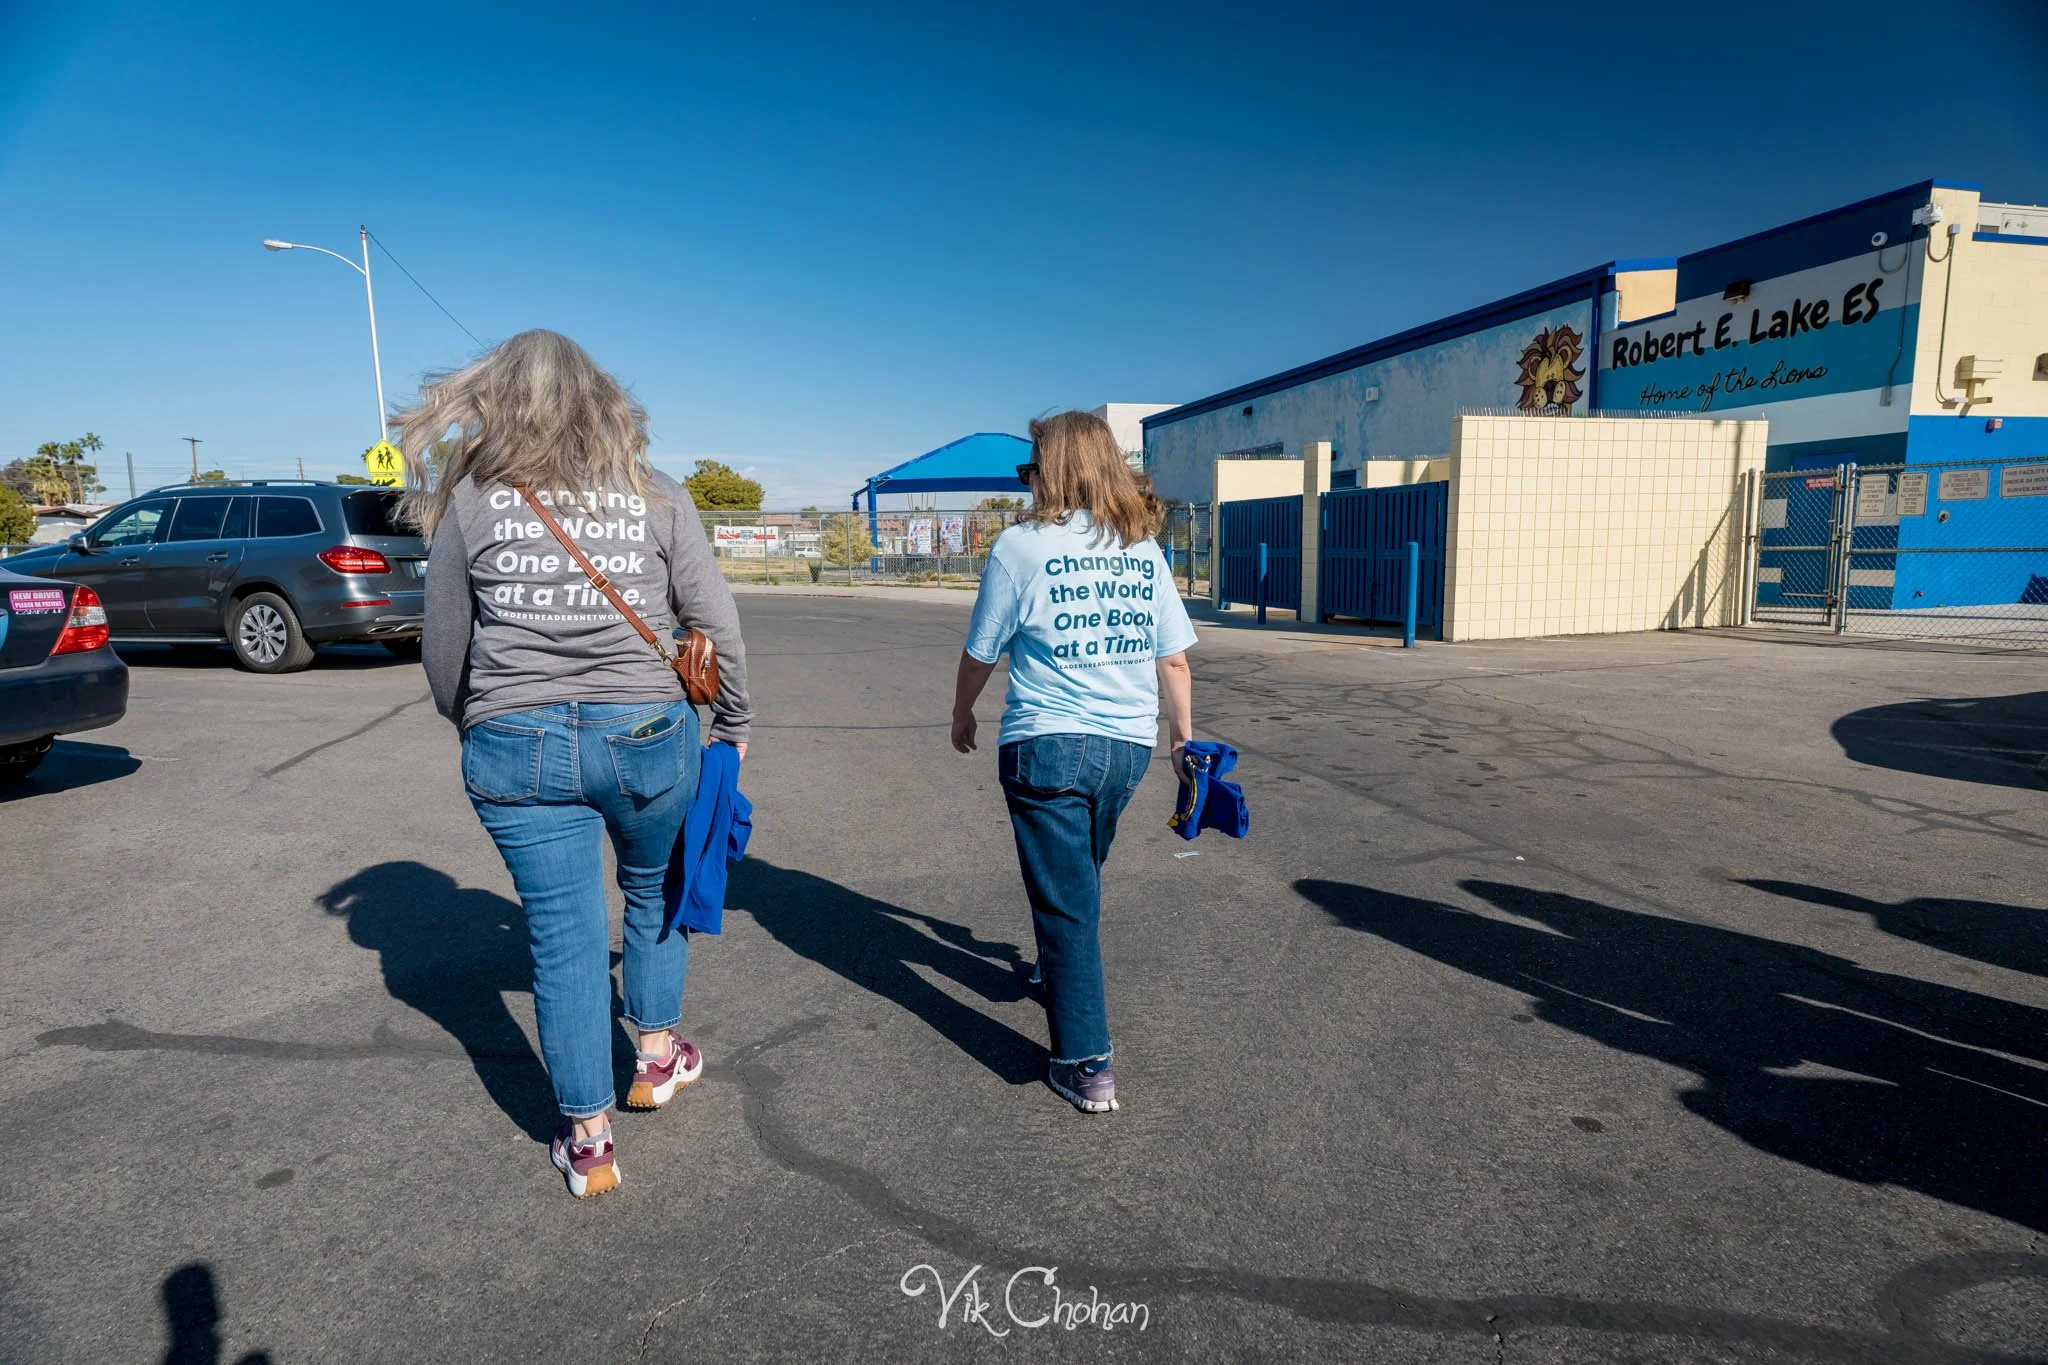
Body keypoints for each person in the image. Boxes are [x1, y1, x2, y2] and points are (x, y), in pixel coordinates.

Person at [402, 329, 753, 1198]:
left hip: (513, 743)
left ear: (497, 401)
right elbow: (717, 622)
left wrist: (469, 720)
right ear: (601, 399)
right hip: (646, 735)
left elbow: (445, 646)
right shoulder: (657, 495)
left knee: (561, 939)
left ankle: (589, 1140)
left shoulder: (472, 503)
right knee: (653, 890)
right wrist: (735, 721)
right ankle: (658, 1055)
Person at [950, 410, 1198, 1114]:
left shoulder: (1020, 547)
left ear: (1052, 465)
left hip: (1047, 744)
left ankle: (1084, 1060)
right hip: (1125, 749)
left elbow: (982, 650)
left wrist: (963, 712)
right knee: (1077, 881)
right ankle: (1056, 973)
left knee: (1067, 899)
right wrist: (1182, 741)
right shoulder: (1140, 547)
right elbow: (1172, 657)